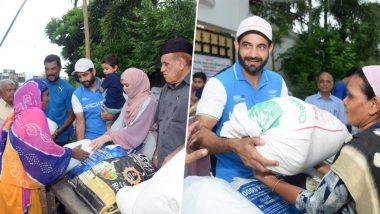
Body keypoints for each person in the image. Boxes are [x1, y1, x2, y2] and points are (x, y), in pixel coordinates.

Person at [254, 66, 380, 213]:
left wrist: (272, 182)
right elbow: (355, 181)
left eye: (351, 96)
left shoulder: (358, 147)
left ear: (374, 105)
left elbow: (317, 207)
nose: (344, 101)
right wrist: (321, 166)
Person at [192, 15, 288, 182]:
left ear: (270, 49)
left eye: (261, 47)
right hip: (232, 180)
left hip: (275, 178)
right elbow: (197, 136)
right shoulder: (219, 84)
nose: (253, 54)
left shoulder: (278, 82)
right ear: (236, 45)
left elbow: (289, 124)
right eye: (247, 45)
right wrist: (234, 145)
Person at [0, 79, 89, 213]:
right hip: (21, 188)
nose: (48, 99)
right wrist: (71, 153)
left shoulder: (20, 112)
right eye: (46, 95)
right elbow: (45, 151)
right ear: (36, 96)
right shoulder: (34, 114)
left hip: (8, 181)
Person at [90, 68, 158, 153]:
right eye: (123, 85)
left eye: (127, 85)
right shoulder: (130, 100)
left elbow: (136, 130)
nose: (124, 89)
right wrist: (103, 137)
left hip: (146, 145)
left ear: (137, 84)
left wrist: (109, 137)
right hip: (129, 145)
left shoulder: (149, 102)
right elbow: (119, 123)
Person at [152, 37, 193, 169]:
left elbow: (199, 137)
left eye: (166, 64)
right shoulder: (165, 89)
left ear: (181, 64)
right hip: (162, 163)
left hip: (186, 167)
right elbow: (161, 126)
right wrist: (156, 154)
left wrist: (176, 155)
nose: (162, 69)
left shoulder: (195, 91)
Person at [43, 54, 75, 146]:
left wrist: (57, 132)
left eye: (53, 69)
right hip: (42, 136)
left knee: (61, 160)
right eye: (47, 69)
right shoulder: (40, 86)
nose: (50, 72)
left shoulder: (68, 88)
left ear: (60, 68)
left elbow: (72, 115)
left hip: (61, 137)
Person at [71, 58, 106, 140]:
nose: (82, 79)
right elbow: (80, 121)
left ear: (93, 71)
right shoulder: (77, 95)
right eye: (79, 76)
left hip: (112, 139)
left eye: (85, 75)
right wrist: (81, 145)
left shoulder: (108, 86)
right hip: (91, 142)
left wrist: (113, 117)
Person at [99, 54, 125, 129]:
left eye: (106, 69)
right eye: (103, 69)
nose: (104, 71)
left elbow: (101, 90)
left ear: (115, 67)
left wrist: (102, 83)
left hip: (110, 107)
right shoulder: (121, 76)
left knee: (108, 123)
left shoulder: (108, 78)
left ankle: (109, 135)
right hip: (121, 106)